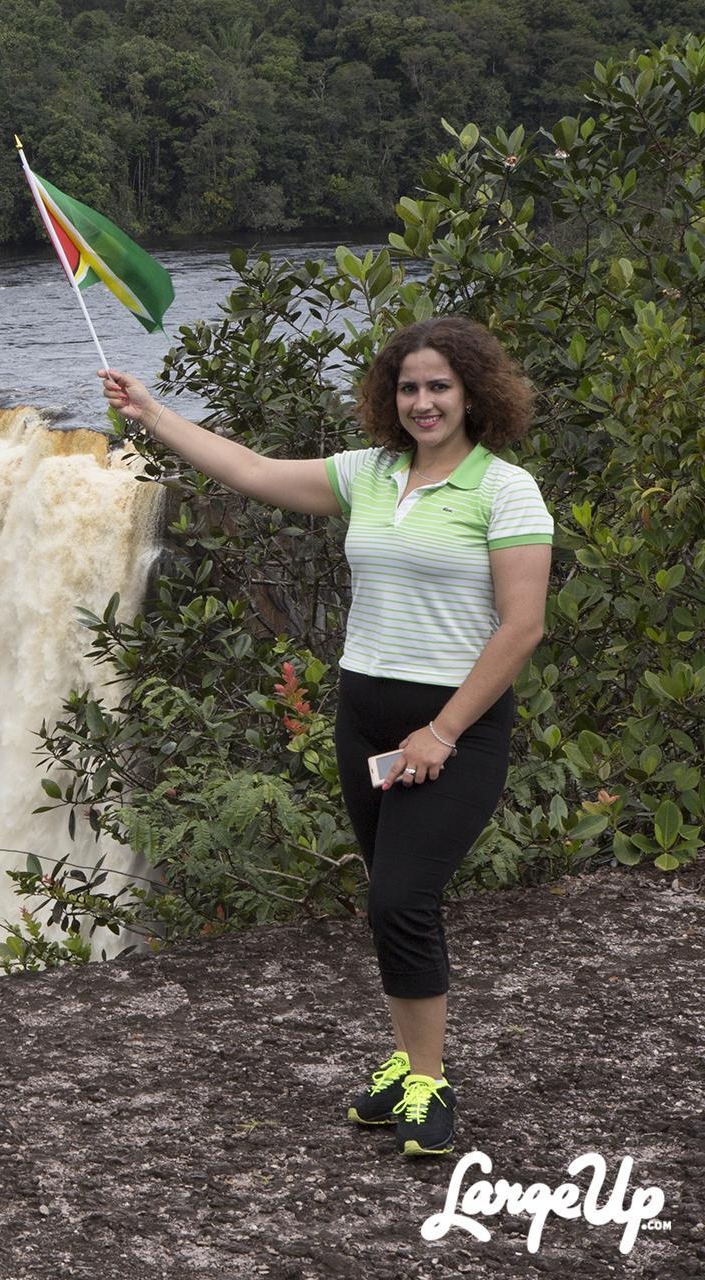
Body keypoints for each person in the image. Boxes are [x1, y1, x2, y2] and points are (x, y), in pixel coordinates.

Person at [98, 315, 553, 1157]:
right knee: (388, 899)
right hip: (365, 719)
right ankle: (408, 1059)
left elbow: (522, 628)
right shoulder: (370, 475)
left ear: (473, 394)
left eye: (439, 387)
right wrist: (154, 414)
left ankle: (428, 1084)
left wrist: (443, 731)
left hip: (453, 730)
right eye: (409, 387)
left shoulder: (504, 489)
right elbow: (253, 471)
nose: (423, 402)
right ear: (392, 395)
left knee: (402, 898)